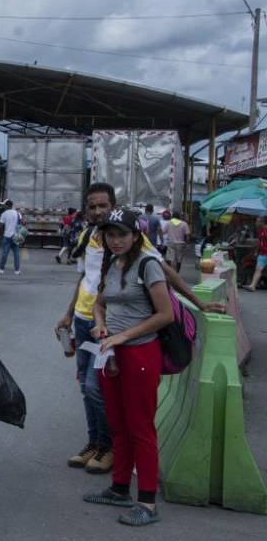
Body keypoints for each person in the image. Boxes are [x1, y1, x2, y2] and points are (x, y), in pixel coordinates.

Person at [56, 184, 225, 475]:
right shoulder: (89, 236)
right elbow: (87, 278)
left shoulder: (124, 237)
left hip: (116, 328)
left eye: (102, 205)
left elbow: (163, 271)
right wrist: (69, 313)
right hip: (88, 322)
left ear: (113, 206)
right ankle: (94, 443)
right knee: (86, 386)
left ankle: (110, 448)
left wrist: (198, 301)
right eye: (92, 206)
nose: (97, 211)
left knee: (99, 391)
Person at [82, 206, 173, 526]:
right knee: (117, 423)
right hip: (112, 354)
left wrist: (124, 337)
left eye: (121, 234)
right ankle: (119, 487)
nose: (115, 240)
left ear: (137, 236)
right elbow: (99, 304)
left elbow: (165, 315)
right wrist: (101, 325)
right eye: (110, 234)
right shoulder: (113, 263)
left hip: (140, 355)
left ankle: (147, 502)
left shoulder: (148, 265)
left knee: (141, 428)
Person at [243, 216, 267, 291]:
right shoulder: (260, 230)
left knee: (258, 269)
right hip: (262, 253)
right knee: (258, 269)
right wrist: (256, 251)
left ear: (262, 222)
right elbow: (259, 242)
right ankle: (253, 286)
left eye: (258, 221)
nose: (256, 223)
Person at [0, 200, 21, 275]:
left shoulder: (4, 214)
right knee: (16, 254)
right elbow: (20, 223)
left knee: (4, 253)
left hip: (7, 236)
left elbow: (0, 225)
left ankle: (1, 269)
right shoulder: (17, 213)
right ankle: (17, 270)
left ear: (7, 206)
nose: (3, 206)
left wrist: (1, 234)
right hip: (16, 236)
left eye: (4, 205)